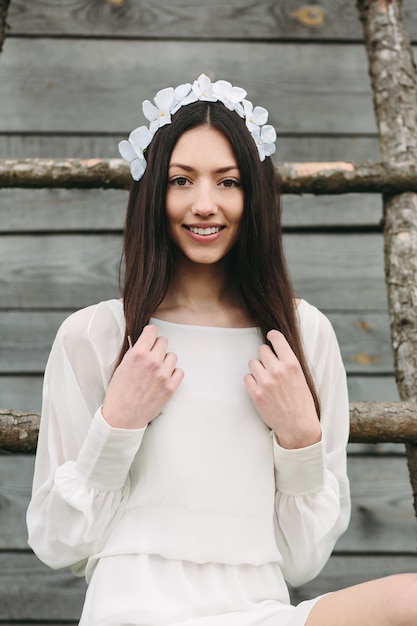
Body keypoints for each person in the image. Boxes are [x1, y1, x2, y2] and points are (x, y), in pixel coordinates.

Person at [27, 74, 417, 626]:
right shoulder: (95, 335)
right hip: (131, 607)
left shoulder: (301, 337)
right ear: (153, 194)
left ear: (253, 195)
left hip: (258, 609)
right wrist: (117, 423)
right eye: (181, 180)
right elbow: (56, 541)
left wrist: (301, 439)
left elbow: (304, 558)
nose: (204, 204)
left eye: (227, 182)